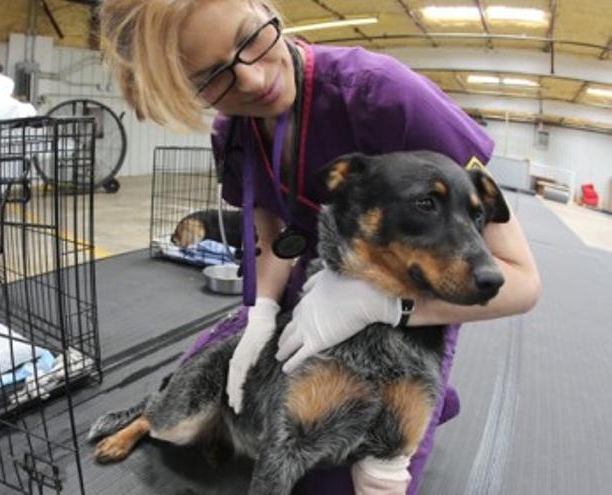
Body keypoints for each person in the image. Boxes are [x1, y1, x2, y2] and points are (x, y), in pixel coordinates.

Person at [99, 0, 542, 493]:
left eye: (250, 38)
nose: (251, 80)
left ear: (263, 8)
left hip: (415, 302)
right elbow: (269, 232)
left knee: (351, 476)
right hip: (305, 293)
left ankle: (428, 402)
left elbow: (522, 282)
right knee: (217, 387)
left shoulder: (385, 95)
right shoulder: (234, 133)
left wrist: (384, 305)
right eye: (212, 77)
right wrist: (262, 312)